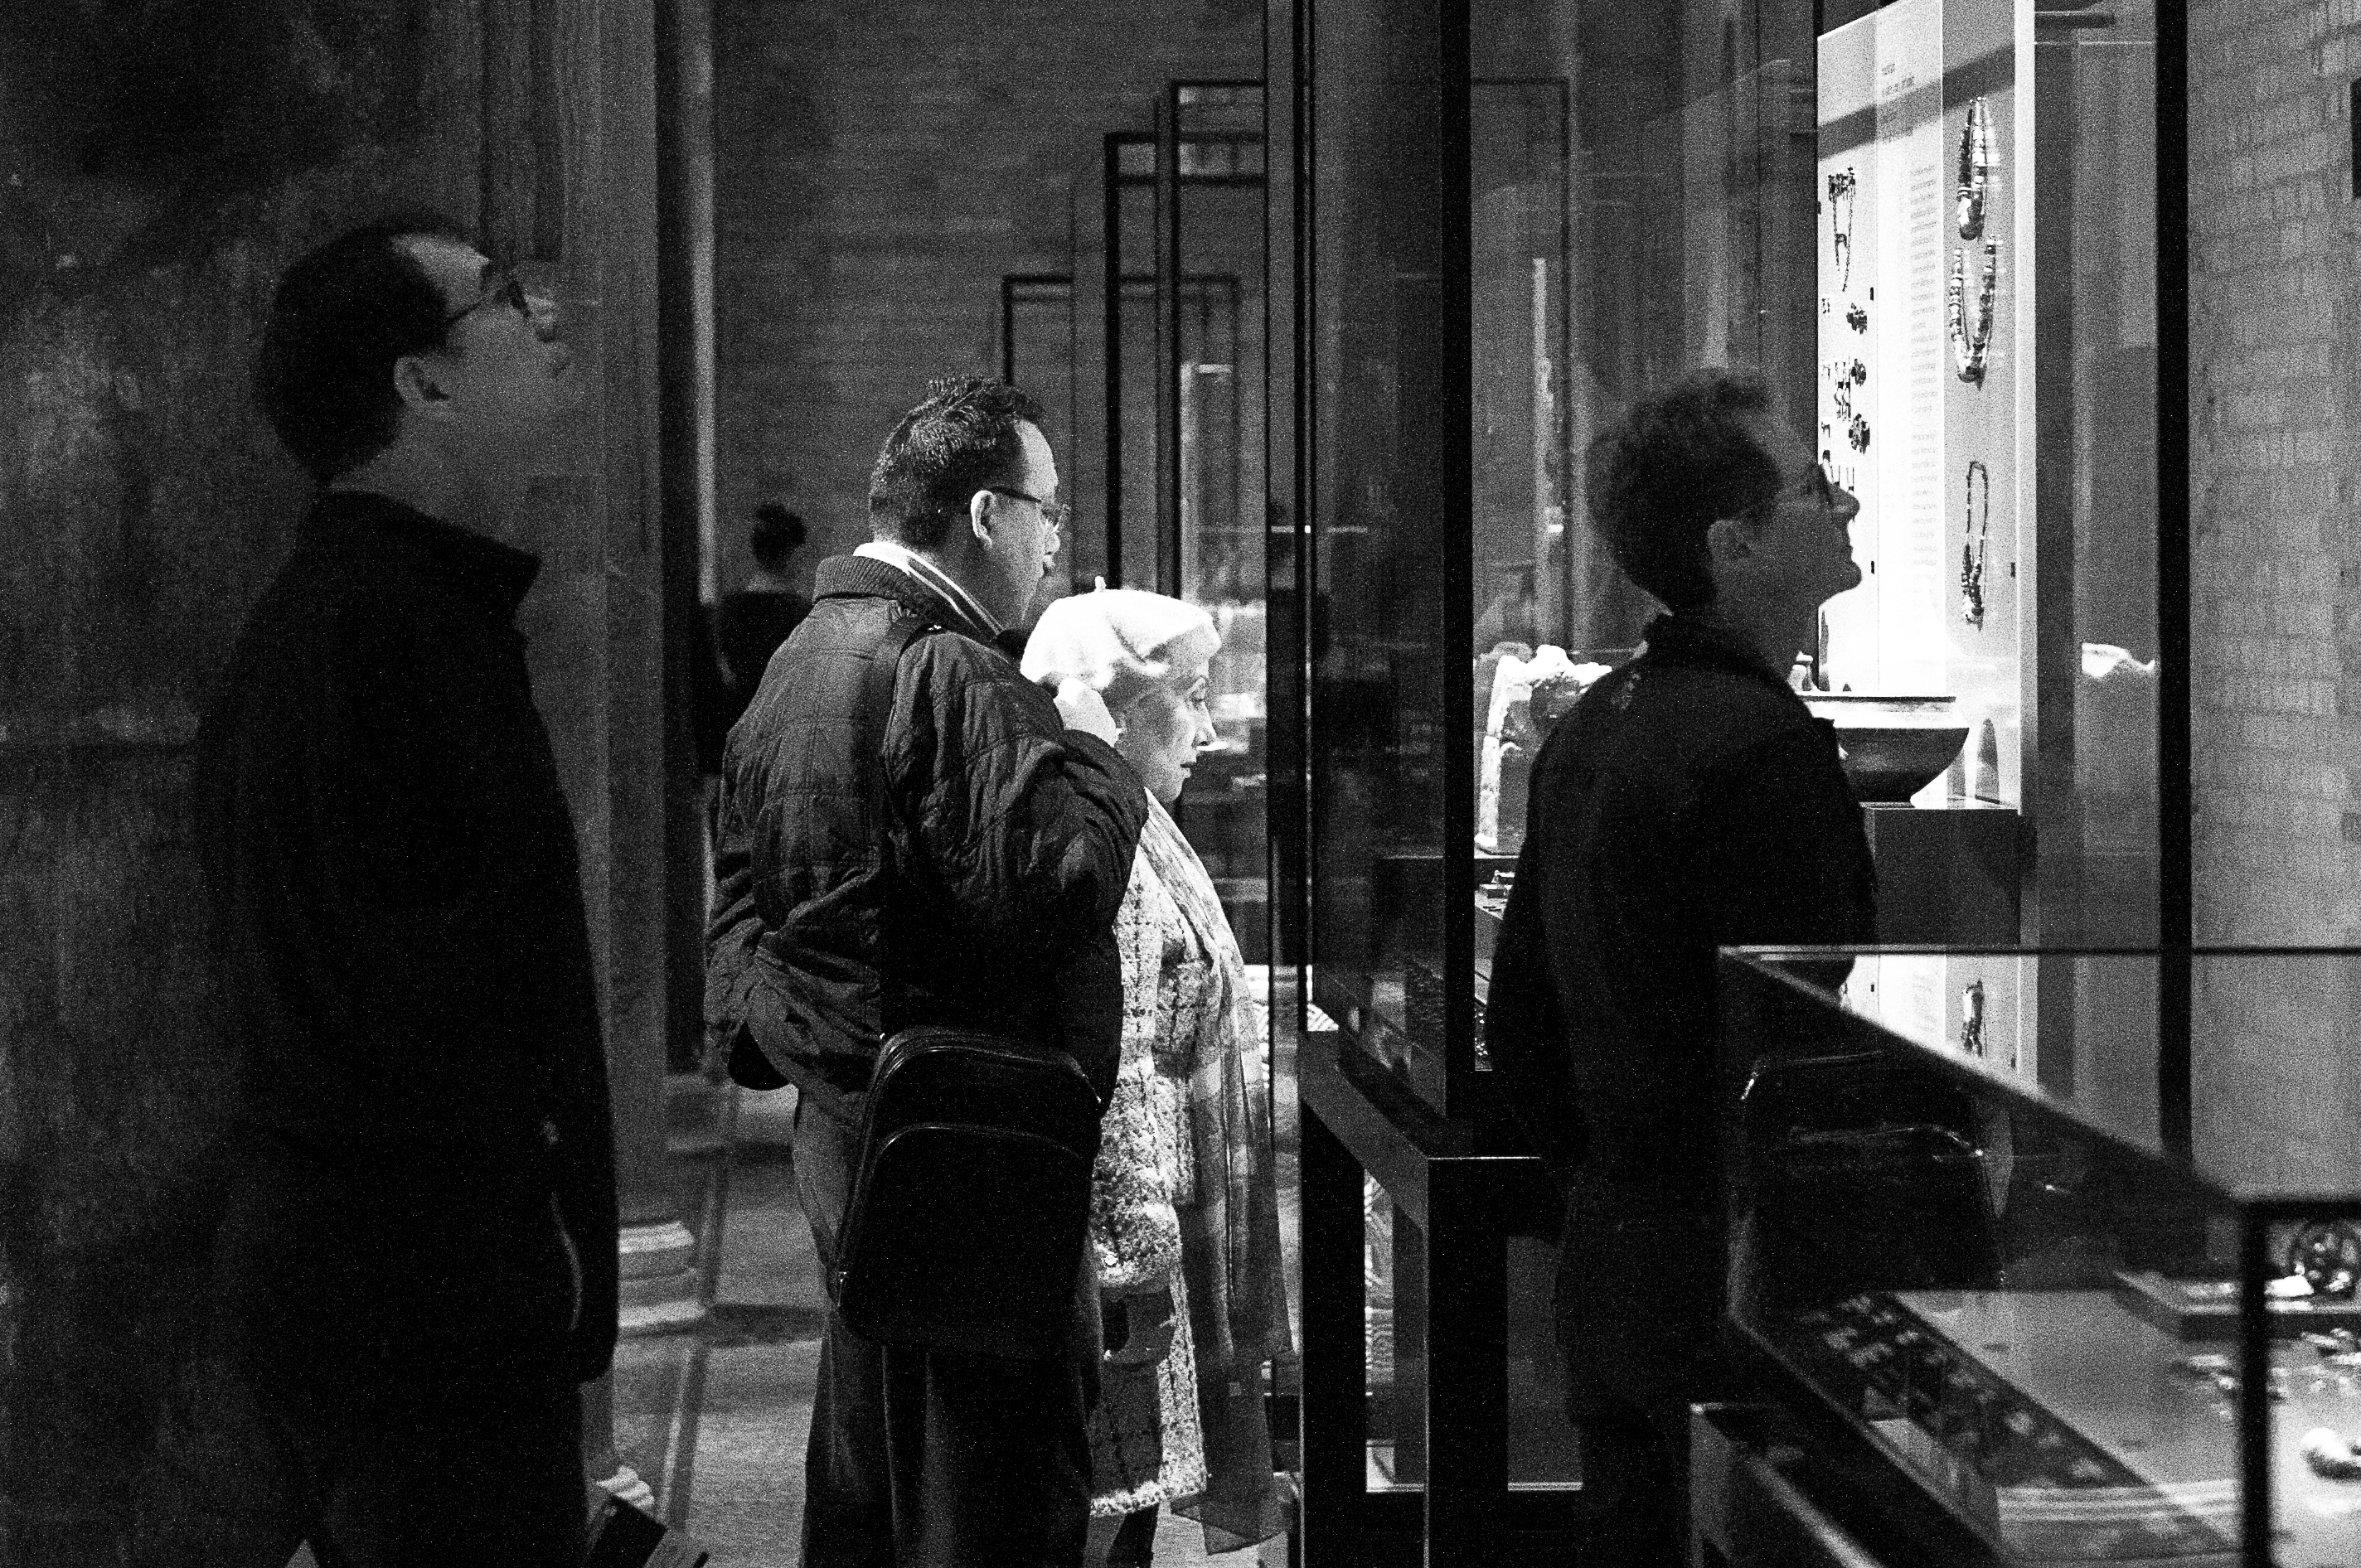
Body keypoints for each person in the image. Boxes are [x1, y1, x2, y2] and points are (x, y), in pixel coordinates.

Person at [154, 216, 614, 1565]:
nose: (544, 322)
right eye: (503, 301)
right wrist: (524, 1235)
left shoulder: (401, 612)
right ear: (423, 383)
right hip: (417, 1291)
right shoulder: (370, 630)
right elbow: (404, 1008)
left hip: (412, 1271)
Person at [706, 375, 1149, 1567]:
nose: (1055, 540)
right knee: (986, 1492)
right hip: (968, 1147)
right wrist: (1100, 757)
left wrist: (806, 1034)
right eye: (1047, 510)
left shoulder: (802, 654)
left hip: (859, 1123)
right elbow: (1055, 887)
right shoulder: (948, 667)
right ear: (986, 513)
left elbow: (741, 899)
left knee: (879, 1478)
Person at [1484, 366, 1878, 1567]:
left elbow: (1522, 1029)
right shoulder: (1758, 750)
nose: (1844, 503)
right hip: (1726, 1266)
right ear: (1733, 543)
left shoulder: (1600, 725)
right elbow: (1802, 1049)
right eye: (1813, 487)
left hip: (1617, 1251)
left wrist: (1615, 1191)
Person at [1022, 589, 1293, 1568]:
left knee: (1120, 1505)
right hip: (1127, 1240)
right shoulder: (1113, 851)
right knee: (1106, 1508)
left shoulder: (1136, 827)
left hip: (1148, 1222)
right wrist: (1133, 1261)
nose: (1210, 729)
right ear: (1120, 709)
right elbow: (1118, 1068)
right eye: (1192, 696)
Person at [714, 501, 815, 722]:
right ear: (792, 553)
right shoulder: (801, 612)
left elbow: (727, 676)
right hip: (783, 723)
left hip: (738, 719)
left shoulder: (731, 608)